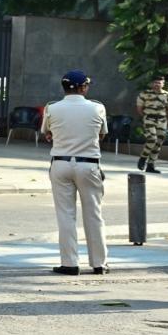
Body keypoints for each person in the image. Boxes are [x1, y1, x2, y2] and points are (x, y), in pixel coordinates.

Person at [41, 70, 108, 275]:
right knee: (94, 214)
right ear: (83, 87)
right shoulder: (97, 108)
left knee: (65, 215)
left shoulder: (52, 108)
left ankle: (69, 263)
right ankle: (99, 263)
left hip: (60, 164)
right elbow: (102, 135)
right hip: (88, 164)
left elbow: (47, 133)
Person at [135, 75, 168, 174]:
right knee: (152, 139)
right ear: (152, 83)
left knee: (159, 142)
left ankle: (151, 165)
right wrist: (144, 117)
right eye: (155, 82)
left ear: (163, 84)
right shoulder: (144, 94)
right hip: (149, 119)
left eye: (159, 83)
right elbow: (139, 107)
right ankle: (143, 158)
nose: (157, 84)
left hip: (162, 120)